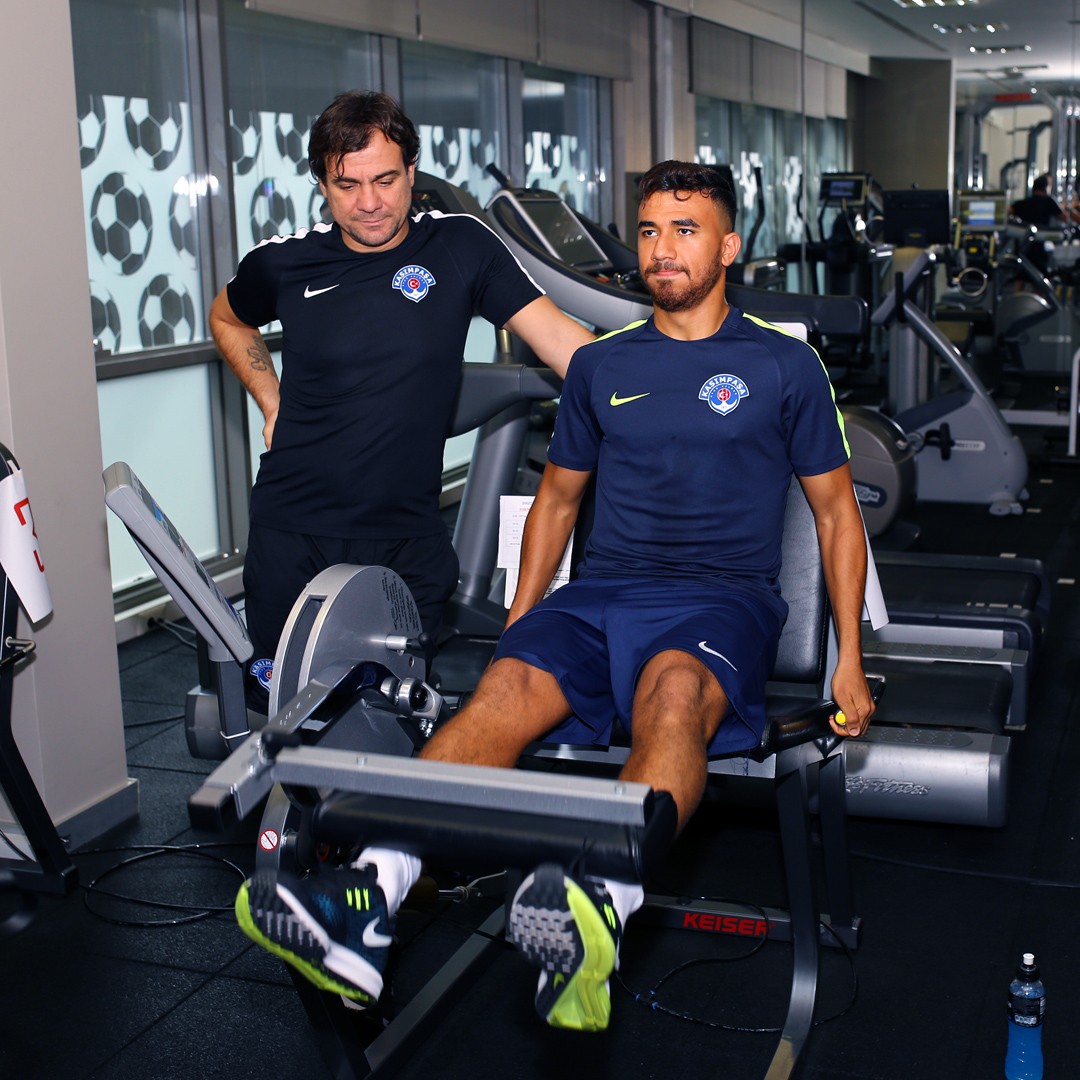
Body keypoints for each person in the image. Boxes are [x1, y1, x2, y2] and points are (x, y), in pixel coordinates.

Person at [234, 160, 877, 1032]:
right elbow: (557, 504)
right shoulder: (602, 366)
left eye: (685, 231)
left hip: (720, 601)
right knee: (503, 691)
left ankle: (598, 905)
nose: (662, 249)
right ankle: (369, 899)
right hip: (601, 594)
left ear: (728, 247)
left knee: (673, 693)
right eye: (649, 231)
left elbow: (837, 516)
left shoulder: (785, 365)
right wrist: (520, 620)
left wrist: (848, 659)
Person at [209, 90, 593, 704]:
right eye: (347, 185)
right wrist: (271, 400)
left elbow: (570, 348)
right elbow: (228, 318)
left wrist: (664, 395)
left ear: (412, 171)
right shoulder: (283, 263)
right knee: (287, 709)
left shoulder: (461, 246)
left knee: (397, 709)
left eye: (385, 180)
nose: (369, 203)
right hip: (294, 526)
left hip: (406, 532)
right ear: (322, 184)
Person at [1009, 173, 1080, 228]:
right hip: (1044, 238)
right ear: (1046, 188)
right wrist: (1068, 209)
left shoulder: (1021, 203)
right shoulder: (1049, 201)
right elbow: (1065, 218)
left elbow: (1008, 212)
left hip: (1026, 239)